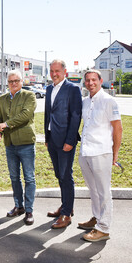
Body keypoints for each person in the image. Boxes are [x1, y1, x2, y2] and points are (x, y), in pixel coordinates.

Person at [78, 69, 123, 242]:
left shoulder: (109, 101)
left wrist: (115, 154)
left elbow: (118, 129)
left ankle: (104, 228)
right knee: (93, 189)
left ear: (100, 80)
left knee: (104, 191)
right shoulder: (85, 102)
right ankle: (97, 218)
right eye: (87, 80)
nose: (90, 83)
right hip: (86, 152)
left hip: (101, 152)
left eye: (94, 80)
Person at [44, 59, 82, 229]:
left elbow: (76, 116)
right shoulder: (49, 88)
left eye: (57, 71)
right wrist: (46, 137)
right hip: (52, 138)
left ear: (65, 72)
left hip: (66, 140)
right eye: (51, 71)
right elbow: (47, 114)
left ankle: (66, 215)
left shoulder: (72, 89)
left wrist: (70, 140)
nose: (54, 74)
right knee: (59, 174)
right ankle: (67, 205)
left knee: (66, 175)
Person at [0, 70, 37, 225]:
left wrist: (6, 124)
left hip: (26, 142)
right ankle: (18, 206)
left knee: (29, 177)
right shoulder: (2, 99)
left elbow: (26, 115)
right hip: (10, 143)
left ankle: (29, 210)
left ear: (22, 81)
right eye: (10, 81)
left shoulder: (29, 96)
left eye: (16, 80)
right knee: (14, 178)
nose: (13, 83)